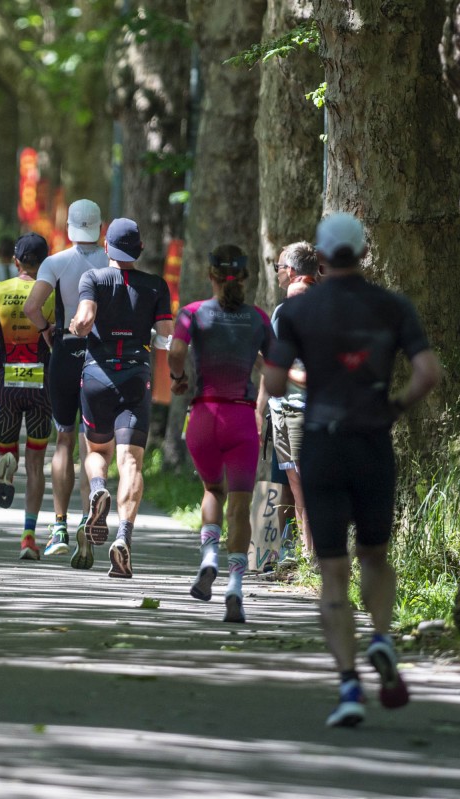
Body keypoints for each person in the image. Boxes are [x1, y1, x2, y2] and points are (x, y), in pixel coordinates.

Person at [261, 212, 442, 728]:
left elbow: (274, 382)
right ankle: (382, 637)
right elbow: (429, 373)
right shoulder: (392, 307)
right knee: (376, 556)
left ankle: (348, 689)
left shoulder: (299, 309)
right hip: (372, 441)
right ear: (363, 255)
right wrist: (395, 406)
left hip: (320, 441)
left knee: (333, 573)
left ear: (319, 257)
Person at [167, 245, 273, 623]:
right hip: (243, 419)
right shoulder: (259, 319)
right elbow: (275, 371)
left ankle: (209, 556)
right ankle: (234, 587)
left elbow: (176, 350)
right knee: (240, 506)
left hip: (204, 417)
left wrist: (178, 379)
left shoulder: (192, 314)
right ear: (246, 278)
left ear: (210, 276)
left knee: (212, 490)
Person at [68, 218, 173, 577]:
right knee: (131, 463)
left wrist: (75, 327)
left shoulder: (93, 279)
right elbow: (165, 336)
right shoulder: (156, 286)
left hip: (97, 374)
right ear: (139, 250)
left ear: (107, 248)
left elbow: (84, 319)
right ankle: (123, 537)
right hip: (135, 376)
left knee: (97, 452)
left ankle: (98, 489)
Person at [23, 198, 109, 560]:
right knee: (93, 446)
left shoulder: (55, 262)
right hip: (101, 358)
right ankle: (89, 521)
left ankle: (58, 524)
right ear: (100, 227)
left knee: (64, 440)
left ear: (70, 227)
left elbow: (31, 307)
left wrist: (46, 328)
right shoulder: (113, 263)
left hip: (64, 352)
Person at [0, 233, 54, 560]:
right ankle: (29, 536)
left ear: (16, 261)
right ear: (45, 262)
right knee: (36, 464)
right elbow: (55, 341)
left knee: (9, 448)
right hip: (40, 385)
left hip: (7, 385)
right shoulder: (50, 294)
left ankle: (5, 464)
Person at [260, 241, 320, 561]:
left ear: (292, 272)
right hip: (318, 407)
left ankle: (300, 555)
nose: (277, 274)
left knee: (297, 487)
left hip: (291, 407)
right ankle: (283, 553)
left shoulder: (288, 308)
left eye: (279, 268)